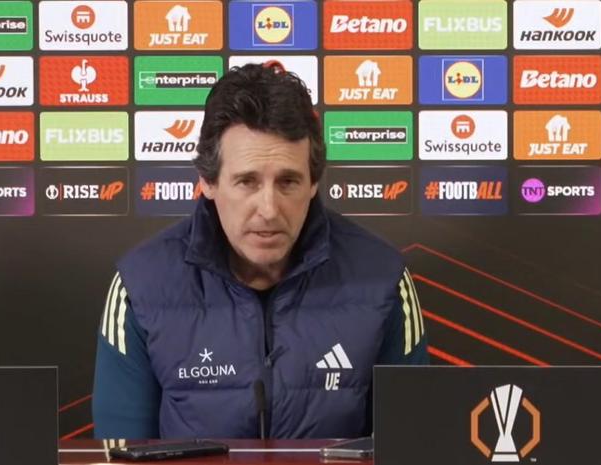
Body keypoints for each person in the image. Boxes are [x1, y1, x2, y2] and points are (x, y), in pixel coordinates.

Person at [92, 62, 428, 439]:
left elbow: (411, 445)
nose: (268, 209)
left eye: (288, 182)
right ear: (208, 181)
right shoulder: (141, 285)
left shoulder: (383, 278)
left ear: (313, 182)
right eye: (247, 182)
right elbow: (121, 454)